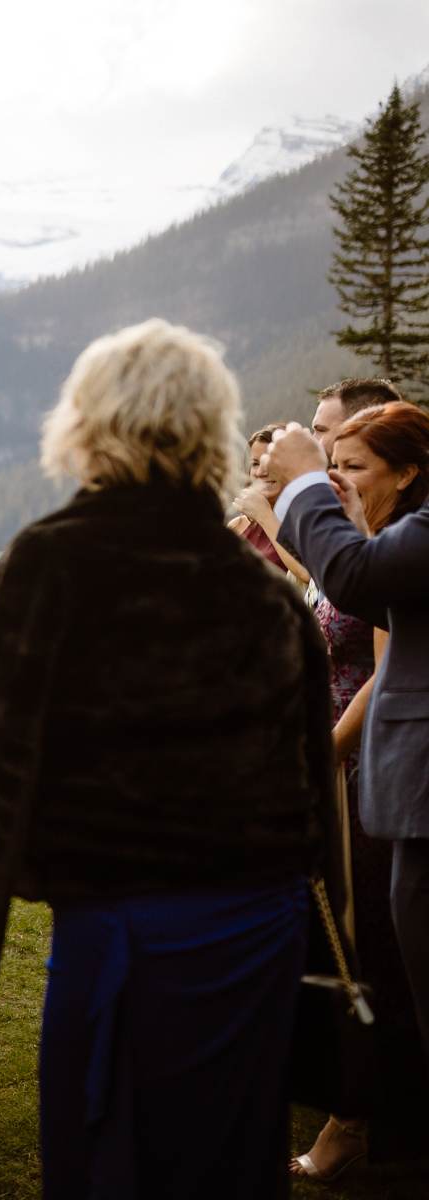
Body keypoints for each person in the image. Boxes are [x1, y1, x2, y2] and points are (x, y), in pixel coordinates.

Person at [0, 320, 334, 1199]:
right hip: (260, 933)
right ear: (211, 431)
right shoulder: (266, 596)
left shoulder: (48, 565)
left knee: (110, 1163)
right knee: (230, 1169)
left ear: (90, 424)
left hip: (123, 935)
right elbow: (311, 798)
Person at [269, 399, 429, 1176]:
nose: (340, 480)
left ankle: (378, 1128)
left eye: (353, 466)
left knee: (394, 970)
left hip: (403, 783)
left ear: (408, 472)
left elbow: (356, 582)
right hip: (392, 784)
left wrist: (299, 487)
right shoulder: (389, 533)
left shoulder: (402, 541)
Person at [228, 423, 308, 581]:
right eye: (255, 464)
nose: (261, 472)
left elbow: (307, 574)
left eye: (270, 461)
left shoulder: (304, 523)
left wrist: (265, 515)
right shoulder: (237, 526)